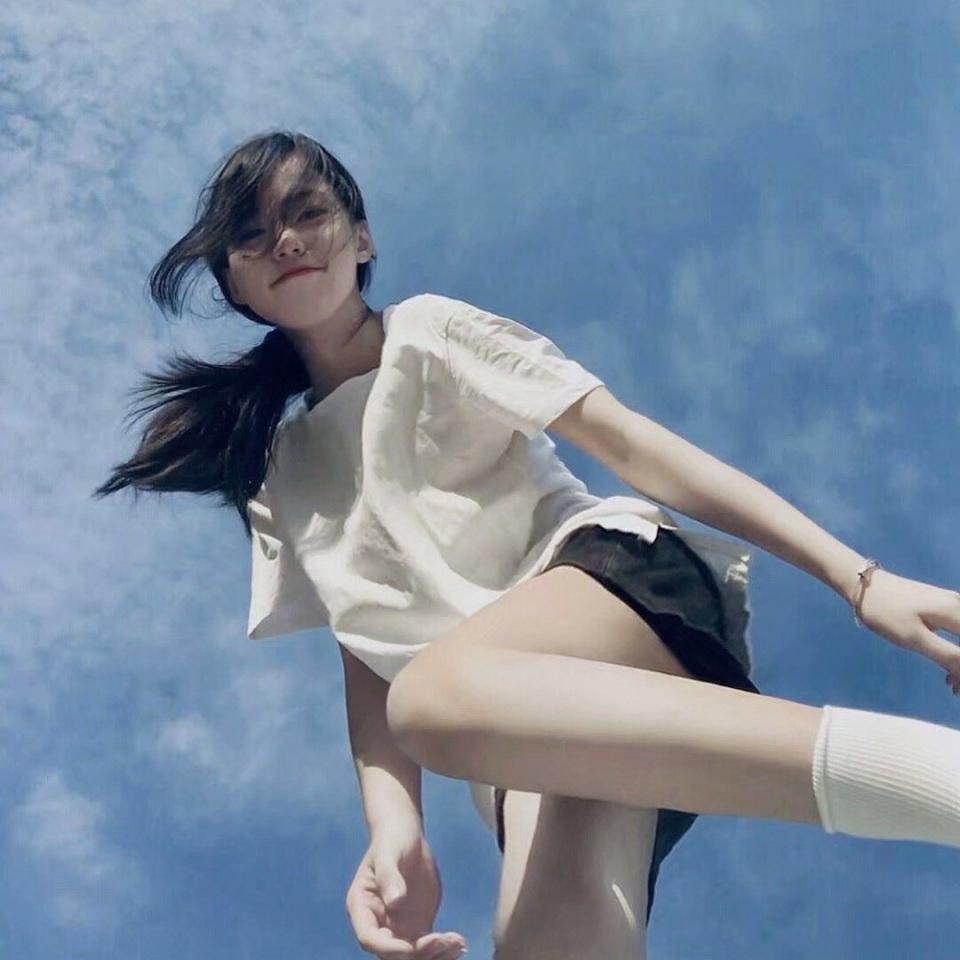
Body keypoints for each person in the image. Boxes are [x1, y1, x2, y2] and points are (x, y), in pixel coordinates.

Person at [96, 130, 960, 960]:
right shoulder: (279, 473)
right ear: (237, 286)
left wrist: (858, 579)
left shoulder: (426, 331)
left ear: (362, 238)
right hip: (517, 729)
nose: (285, 239)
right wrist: (395, 828)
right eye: (252, 235)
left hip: (616, 586)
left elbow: (632, 445)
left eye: (308, 211)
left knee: (434, 698)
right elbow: (366, 638)